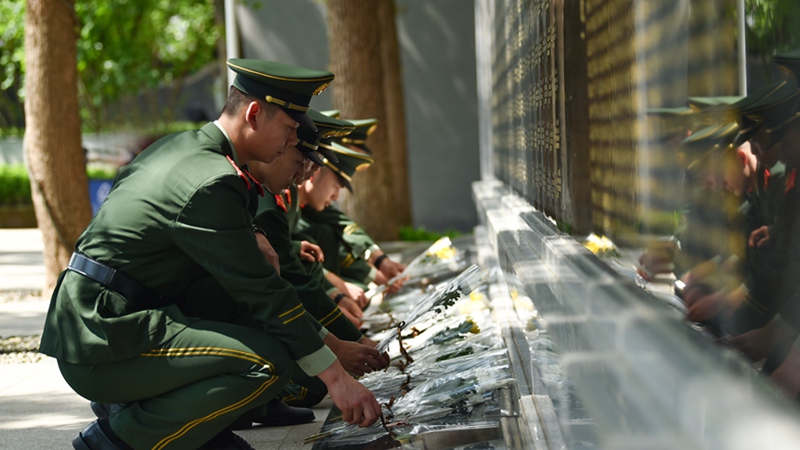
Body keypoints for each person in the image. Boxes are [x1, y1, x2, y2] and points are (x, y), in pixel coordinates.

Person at [40, 58, 381, 450]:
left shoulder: (185, 150)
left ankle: (195, 429)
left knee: (250, 317)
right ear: (254, 114)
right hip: (103, 336)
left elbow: (249, 287)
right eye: (290, 130)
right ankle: (116, 439)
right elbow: (262, 292)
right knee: (267, 363)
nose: (294, 141)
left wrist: (332, 346)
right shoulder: (213, 180)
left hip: (106, 318)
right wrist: (336, 379)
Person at [244, 109, 388, 416]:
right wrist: (343, 344)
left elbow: (291, 260)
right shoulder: (266, 201)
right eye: (302, 163)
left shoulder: (273, 193)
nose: (304, 176)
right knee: (311, 386)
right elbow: (286, 286)